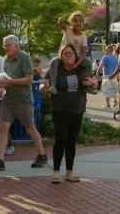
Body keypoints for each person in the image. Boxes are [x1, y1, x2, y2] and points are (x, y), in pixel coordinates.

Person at [0, 35, 48, 171]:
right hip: (8, 99)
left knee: (30, 128)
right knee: (2, 127)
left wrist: (9, 82)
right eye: (4, 46)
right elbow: (4, 75)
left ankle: (41, 155)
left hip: (23, 99)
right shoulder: (5, 59)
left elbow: (29, 79)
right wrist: (3, 86)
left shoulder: (24, 57)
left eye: (8, 45)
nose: (5, 48)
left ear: (16, 45)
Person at [42, 44, 98, 183]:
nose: (68, 55)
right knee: (60, 139)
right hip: (59, 109)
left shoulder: (81, 69)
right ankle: (56, 171)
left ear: (75, 56)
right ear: (60, 56)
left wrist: (92, 83)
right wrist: (45, 86)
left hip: (77, 109)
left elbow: (93, 83)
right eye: (65, 53)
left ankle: (69, 172)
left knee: (71, 141)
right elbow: (42, 86)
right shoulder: (56, 69)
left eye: (70, 53)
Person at [49, 12, 91, 94]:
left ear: (83, 23)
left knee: (88, 63)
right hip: (63, 55)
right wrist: (61, 20)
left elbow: (83, 55)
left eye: (80, 21)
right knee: (54, 62)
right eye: (75, 21)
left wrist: (76, 64)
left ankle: (87, 84)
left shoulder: (83, 36)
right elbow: (61, 24)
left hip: (75, 57)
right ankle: (53, 86)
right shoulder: (68, 30)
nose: (77, 23)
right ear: (71, 22)